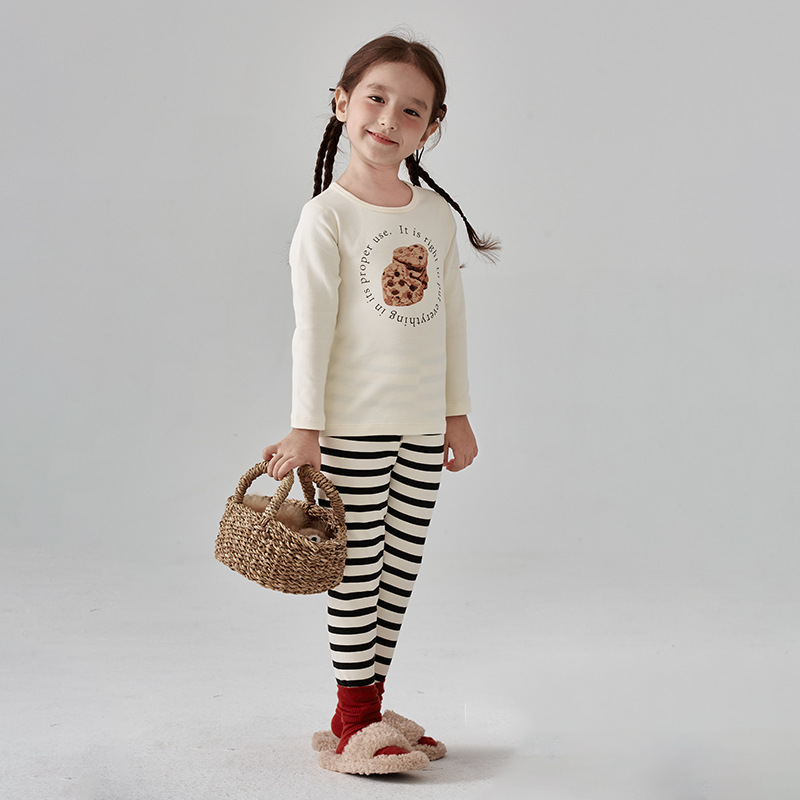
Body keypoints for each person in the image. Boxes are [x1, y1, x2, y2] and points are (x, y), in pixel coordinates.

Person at [262, 33, 498, 775]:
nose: (390, 118)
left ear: (431, 128)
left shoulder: (434, 217)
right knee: (357, 569)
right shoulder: (326, 217)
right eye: (375, 98)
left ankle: (365, 709)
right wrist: (305, 429)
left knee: (399, 570)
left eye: (412, 109)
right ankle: (356, 718)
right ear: (341, 103)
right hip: (353, 426)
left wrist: (456, 412)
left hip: (422, 426)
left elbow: (451, 320)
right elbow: (311, 330)